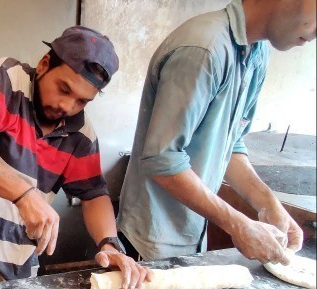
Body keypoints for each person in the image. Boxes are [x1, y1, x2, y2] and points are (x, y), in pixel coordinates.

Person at [0, 26, 152, 289]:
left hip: (21, 269)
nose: (67, 106)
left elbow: (93, 194)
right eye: (64, 89)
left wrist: (109, 245)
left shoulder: (80, 133)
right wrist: (25, 195)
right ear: (44, 65)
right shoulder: (7, 80)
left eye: (82, 101)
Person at [117, 0, 314, 263]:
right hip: (151, 240)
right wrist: (238, 225)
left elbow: (231, 145)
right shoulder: (203, 49)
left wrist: (268, 203)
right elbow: (163, 160)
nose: (314, 35)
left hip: (192, 232)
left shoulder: (258, 53)